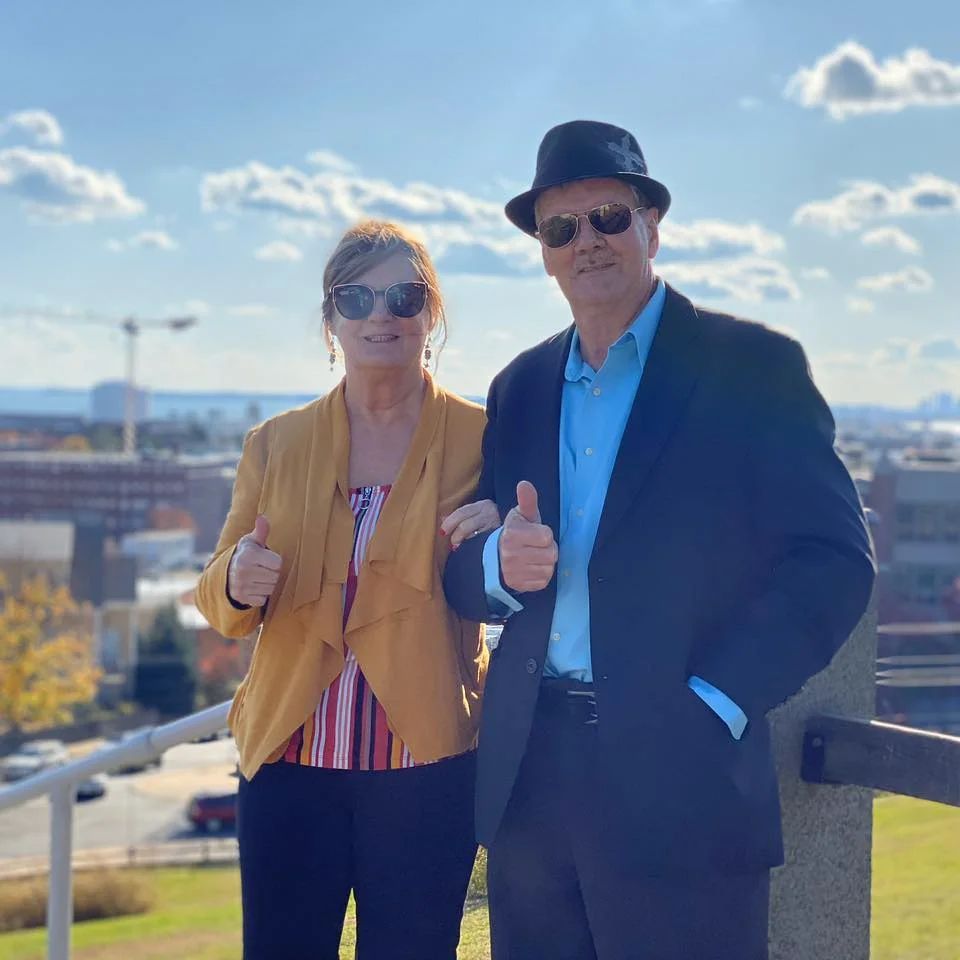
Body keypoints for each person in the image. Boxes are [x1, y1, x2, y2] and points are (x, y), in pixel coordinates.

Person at [443, 120, 876, 960]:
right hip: (532, 782)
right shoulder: (520, 386)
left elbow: (834, 560)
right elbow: (465, 567)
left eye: (607, 216)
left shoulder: (752, 366)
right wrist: (497, 566)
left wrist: (714, 702)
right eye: (560, 228)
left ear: (651, 222)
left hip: (685, 781)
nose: (586, 243)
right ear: (542, 249)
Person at [195, 219, 499, 960]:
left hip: (425, 771)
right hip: (289, 769)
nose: (380, 315)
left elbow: (508, 578)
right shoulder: (275, 442)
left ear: (433, 314)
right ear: (329, 322)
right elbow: (217, 599)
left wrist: (494, 535)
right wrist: (236, 577)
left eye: (404, 294)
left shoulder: (485, 437)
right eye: (354, 299)